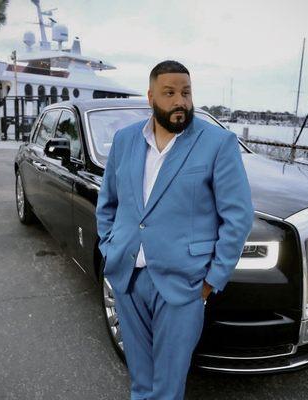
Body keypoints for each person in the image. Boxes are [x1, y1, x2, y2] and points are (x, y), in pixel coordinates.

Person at [96, 60, 254, 400]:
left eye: (185, 92)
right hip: (127, 278)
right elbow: (107, 202)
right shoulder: (124, 141)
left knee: (167, 388)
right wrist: (110, 248)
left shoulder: (217, 143)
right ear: (151, 96)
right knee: (140, 379)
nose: (180, 101)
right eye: (169, 93)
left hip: (184, 284)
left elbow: (238, 217)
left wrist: (212, 280)